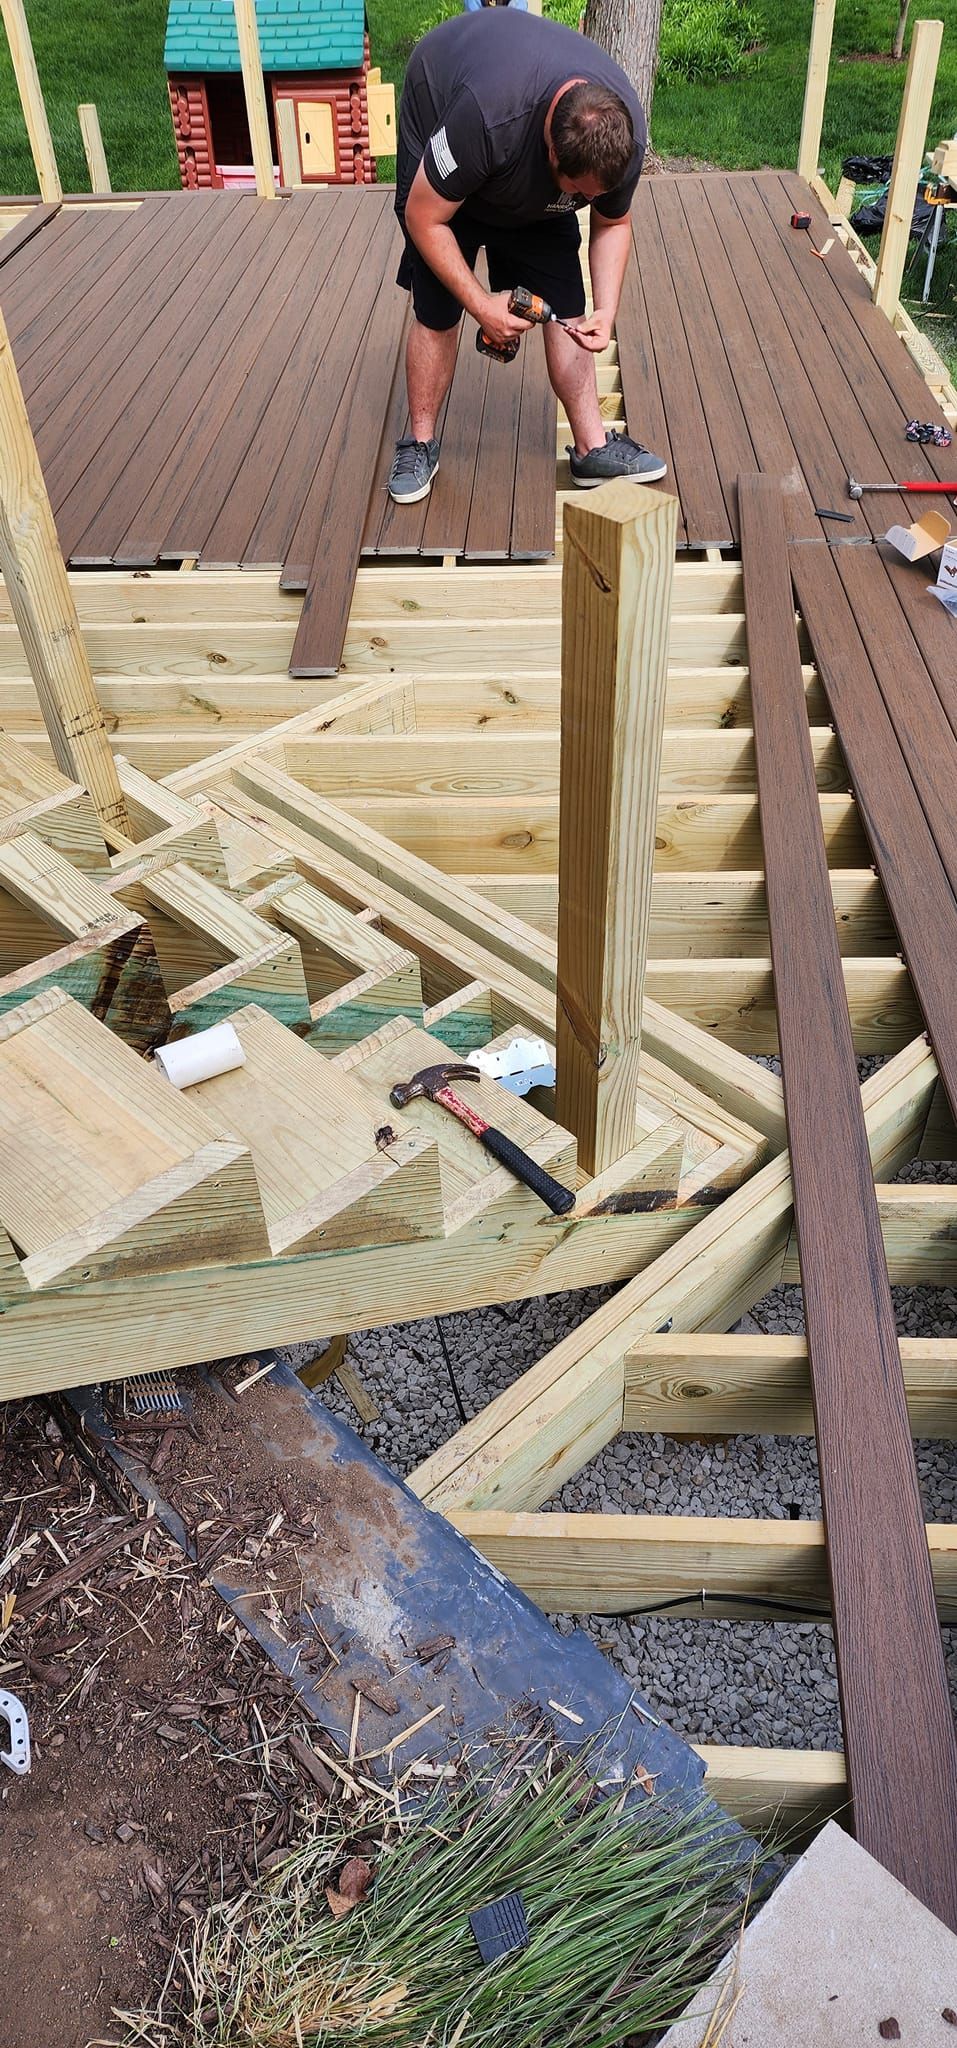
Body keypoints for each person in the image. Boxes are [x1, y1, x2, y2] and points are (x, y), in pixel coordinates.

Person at [388, 7, 666, 504]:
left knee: (568, 304)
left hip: (515, 158)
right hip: (443, 122)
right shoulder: (485, 117)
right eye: (577, 193)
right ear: (552, 156)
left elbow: (614, 222)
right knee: (438, 305)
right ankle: (420, 441)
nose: (587, 202)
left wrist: (607, 310)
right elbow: (423, 218)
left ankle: (592, 448)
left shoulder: (621, 135)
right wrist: (481, 305)